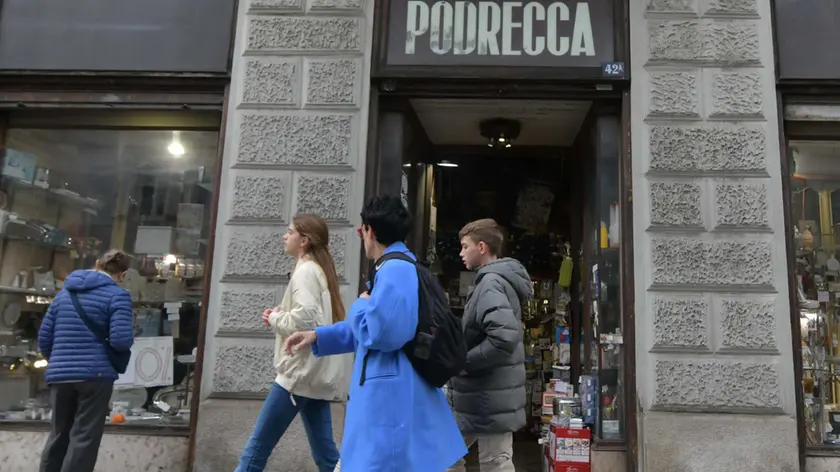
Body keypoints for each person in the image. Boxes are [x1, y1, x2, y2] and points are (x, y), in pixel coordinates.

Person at [284, 195, 466, 472]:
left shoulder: (394, 269)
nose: (361, 237)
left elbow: (384, 334)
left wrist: (359, 305)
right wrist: (319, 336)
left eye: (361, 230)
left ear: (371, 230)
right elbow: (372, 326)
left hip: (388, 396)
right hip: (390, 390)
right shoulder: (396, 266)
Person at [236, 214, 350, 472]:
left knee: (255, 452)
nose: (284, 236)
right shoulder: (317, 270)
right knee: (328, 459)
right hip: (313, 377)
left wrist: (275, 317)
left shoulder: (306, 271)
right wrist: (282, 315)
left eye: (290, 232)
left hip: (297, 375)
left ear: (304, 241)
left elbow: (305, 318)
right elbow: (312, 316)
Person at [447, 219, 533, 472]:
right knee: (448, 457)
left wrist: (464, 362)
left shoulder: (491, 284)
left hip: (488, 396)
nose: (461, 253)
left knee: (494, 463)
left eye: (465, 247)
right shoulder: (492, 281)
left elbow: (503, 337)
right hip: (484, 397)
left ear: (482, 247)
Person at [37, 249, 135, 472]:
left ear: (98, 264)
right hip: (95, 376)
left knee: (58, 434)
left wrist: (60, 362)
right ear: (122, 274)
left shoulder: (65, 293)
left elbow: (44, 338)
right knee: (84, 437)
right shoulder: (117, 295)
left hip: (60, 375)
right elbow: (120, 341)